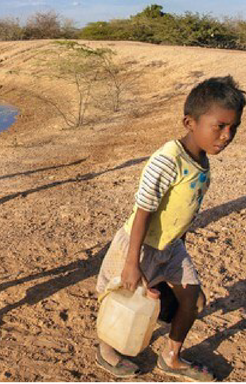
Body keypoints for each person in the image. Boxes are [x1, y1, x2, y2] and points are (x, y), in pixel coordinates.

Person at [95, 76, 245, 380]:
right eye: (220, 126)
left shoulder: (203, 161)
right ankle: (106, 351)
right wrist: (131, 261)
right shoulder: (167, 159)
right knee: (123, 299)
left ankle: (171, 357)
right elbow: (144, 210)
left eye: (234, 127)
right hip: (138, 244)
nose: (227, 135)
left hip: (172, 246)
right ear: (190, 122)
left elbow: (185, 212)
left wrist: (180, 247)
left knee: (194, 300)